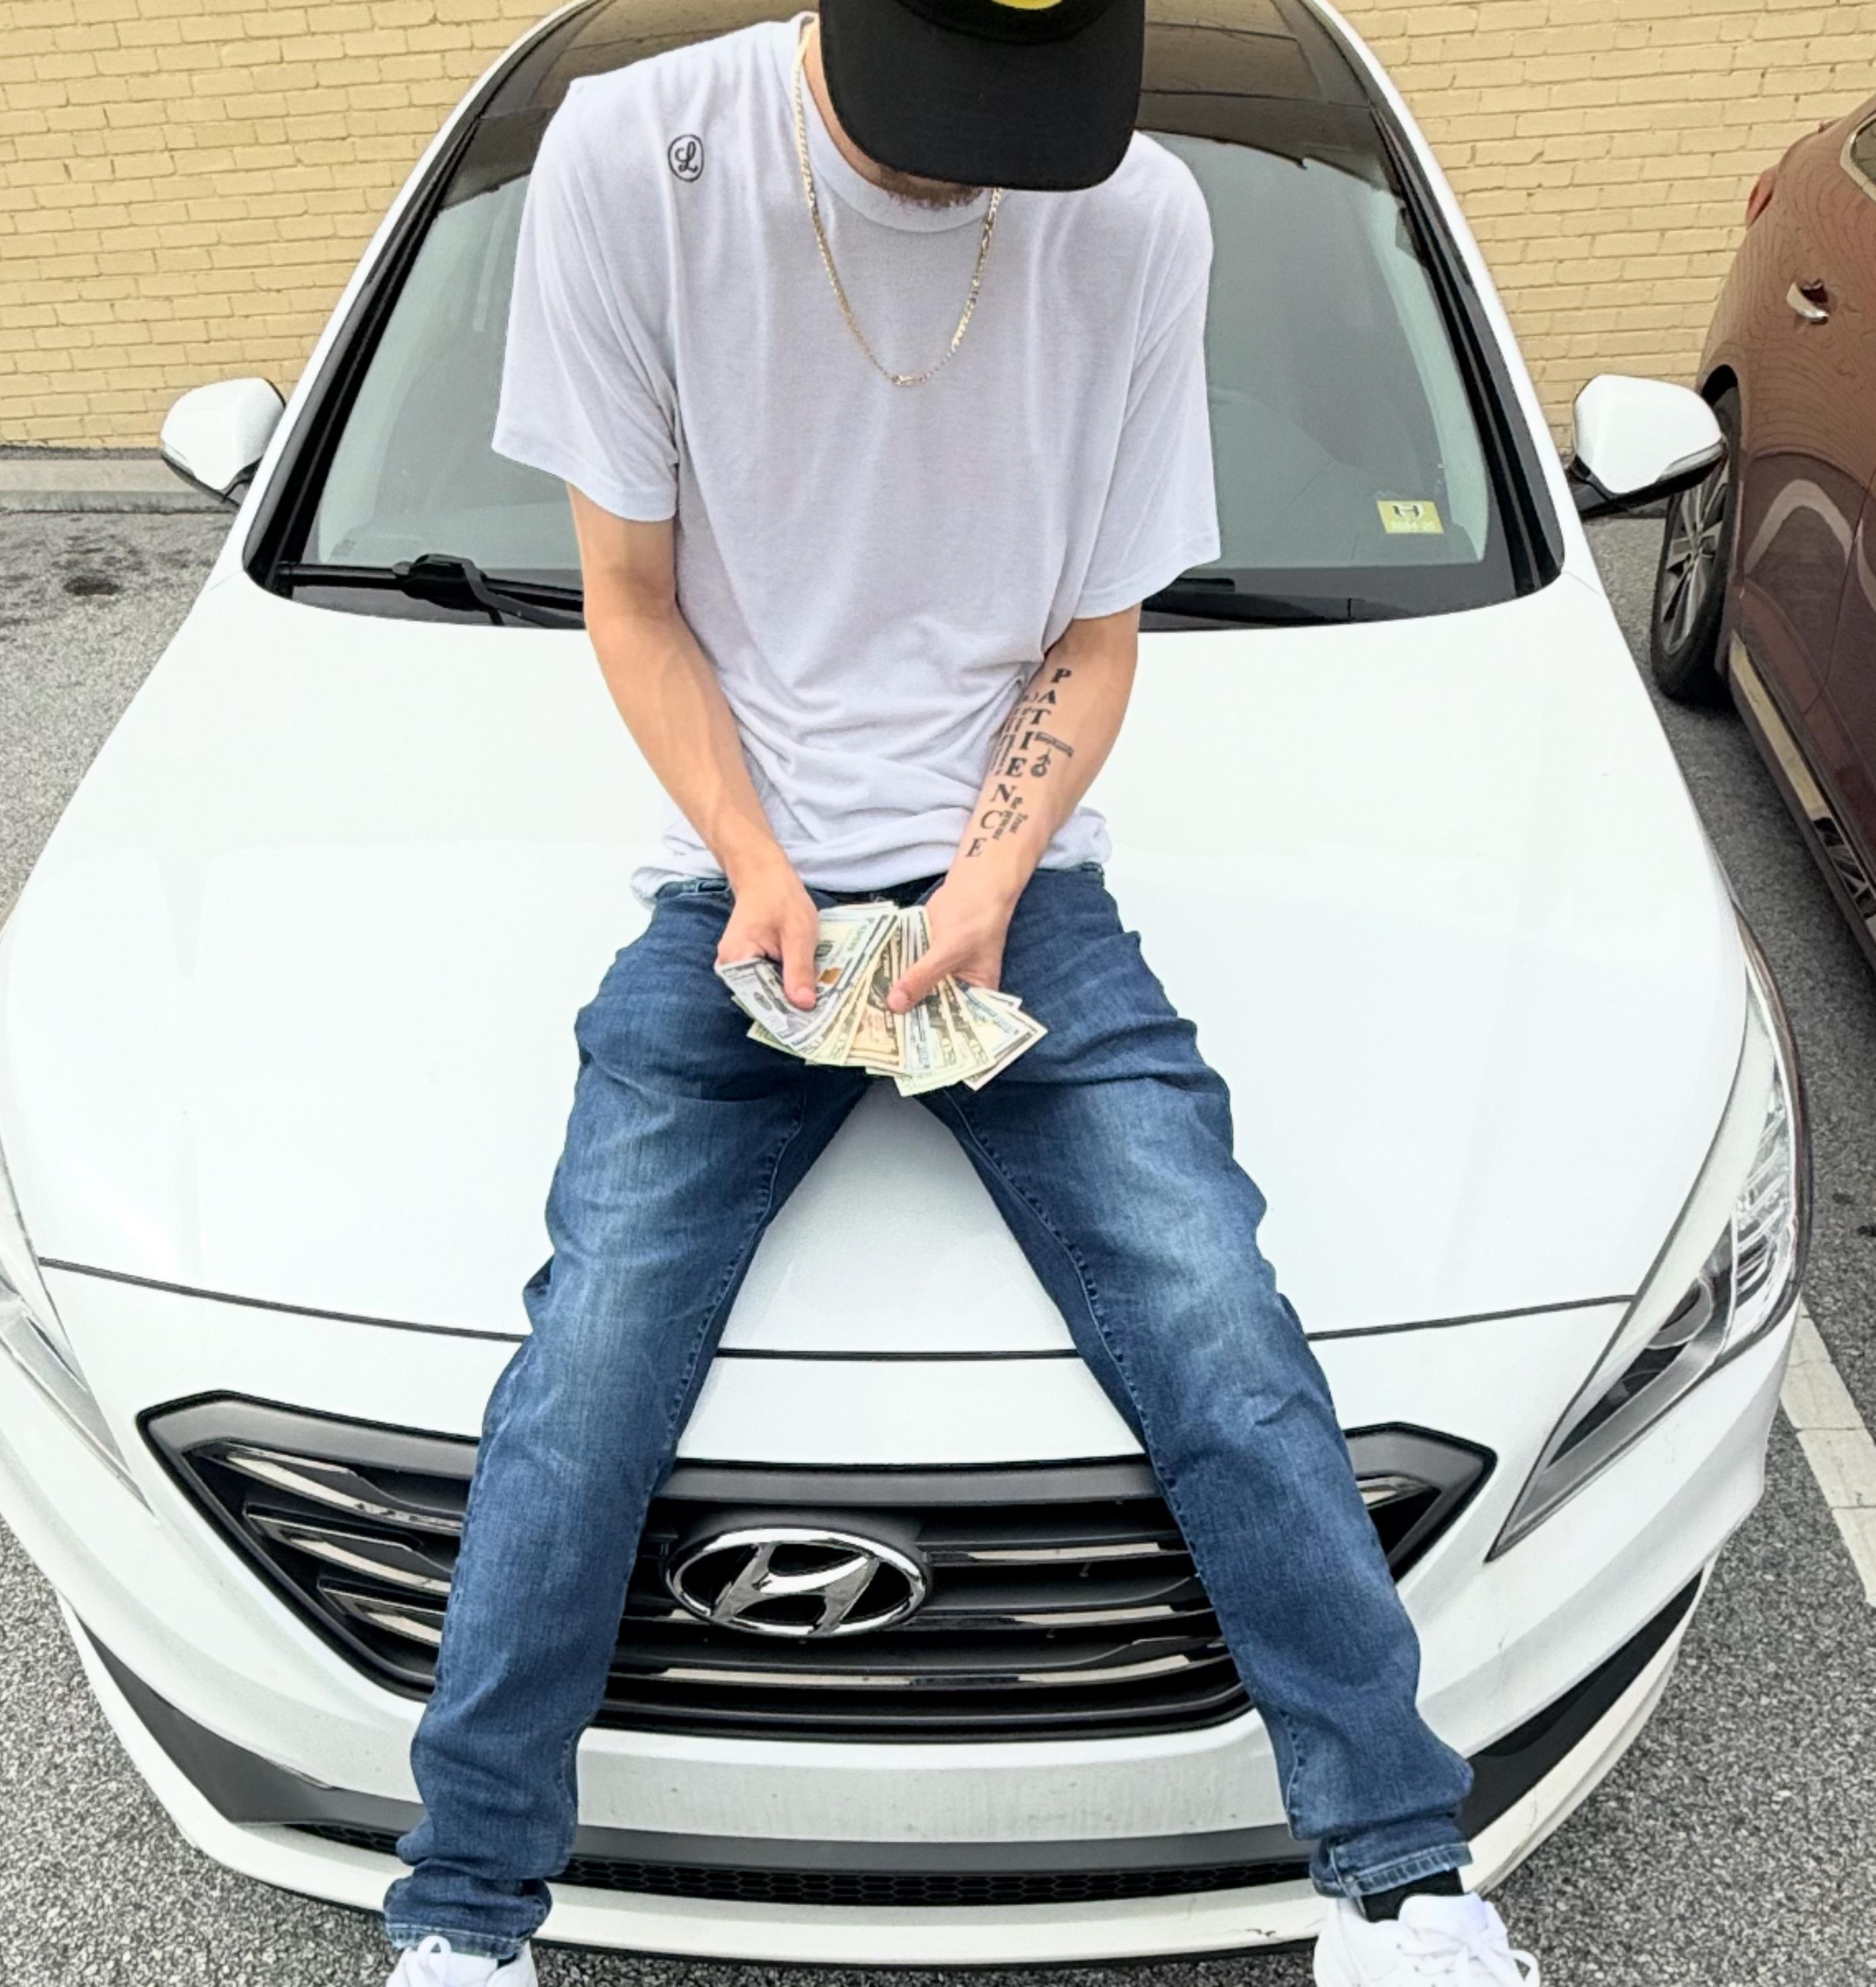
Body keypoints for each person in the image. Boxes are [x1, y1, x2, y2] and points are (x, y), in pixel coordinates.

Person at [379, 1, 1542, 1982]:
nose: (978, 149)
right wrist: (762, 867)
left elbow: (1097, 634)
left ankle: (1404, 1886)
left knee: (1219, 1324)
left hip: (1024, 897)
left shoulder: (1140, 216)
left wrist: (989, 879)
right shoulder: (635, 158)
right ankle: (466, 1917)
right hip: (735, 884)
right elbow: (634, 602)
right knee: (589, 1374)